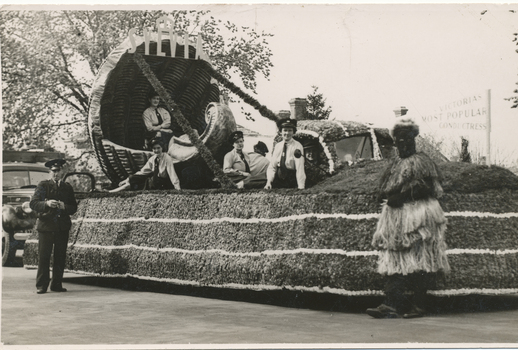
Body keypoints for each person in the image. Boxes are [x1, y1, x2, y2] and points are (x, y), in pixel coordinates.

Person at [366, 119, 450, 319]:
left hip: (418, 216)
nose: (403, 143)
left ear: (413, 140)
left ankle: (419, 305)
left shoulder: (422, 161)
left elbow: (431, 188)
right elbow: (385, 188)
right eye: (399, 140)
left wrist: (404, 196)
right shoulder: (395, 163)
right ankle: (391, 304)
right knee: (395, 258)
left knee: (419, 258)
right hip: (396, 217)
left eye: (407, 139)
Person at [30, 159, 77, 294]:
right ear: (49, 172)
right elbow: (33, 203)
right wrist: (47, 204)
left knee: (60, 256)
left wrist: (64, 207)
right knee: (44, 256)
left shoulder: (67, 187)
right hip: (46, 226)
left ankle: (57, 284)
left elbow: (73, 207)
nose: (56, 174)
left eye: (58, 171)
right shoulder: (43, 185)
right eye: (53, 171)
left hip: (62, 227)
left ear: (63, 171)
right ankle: (41, 285)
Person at [110, 138, 181, 192]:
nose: (156, 150)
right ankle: (112, 192)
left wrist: (177, 188)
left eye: (158, 148)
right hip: (154, 180)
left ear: (162, 148)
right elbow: (143, 171)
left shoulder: (167, 158)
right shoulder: (153, 159)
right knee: (132, 178)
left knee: (145, 182)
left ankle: (112, 192)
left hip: (162, 183)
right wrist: (125, 180)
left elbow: (172, 174)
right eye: (154, 149)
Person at [264, 118, 306, 189]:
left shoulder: (297, 146)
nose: (287, 133)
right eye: (285, 130)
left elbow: (300, 168)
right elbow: (272, 167)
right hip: (278, 180)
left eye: (290, 130)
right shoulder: (278, 146)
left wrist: (301, 187)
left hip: (291, 181)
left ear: (293, 132)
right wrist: (269, 182)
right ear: (280, 132)